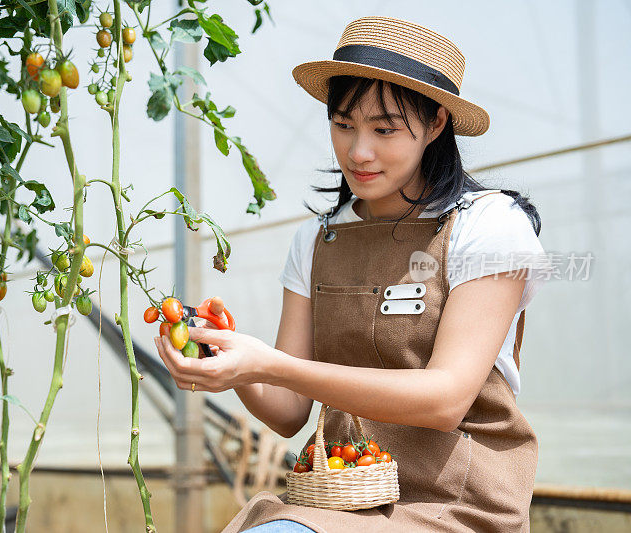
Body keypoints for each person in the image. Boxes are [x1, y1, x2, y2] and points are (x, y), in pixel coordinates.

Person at [153, 15, 549, 533]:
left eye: (384, 129)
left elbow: (445, 399)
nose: (358, 152)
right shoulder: (316, 240)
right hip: (338, 495)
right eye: (343, 125)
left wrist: (269, 364)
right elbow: (289, 411)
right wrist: (231, 362)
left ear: (435, 124)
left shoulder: (489, 226)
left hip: (454, 504)